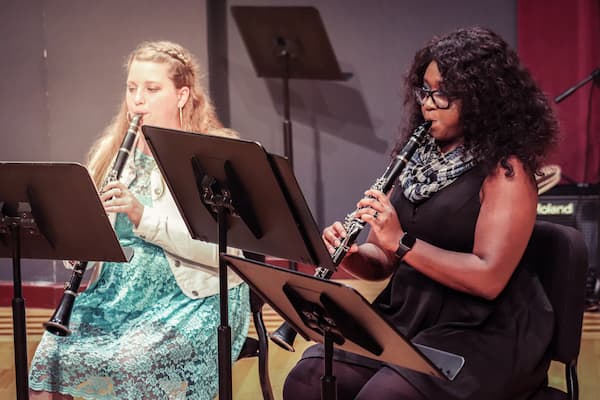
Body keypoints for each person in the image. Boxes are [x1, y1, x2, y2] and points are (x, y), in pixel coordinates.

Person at [283, 26, 558, 400]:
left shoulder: (506, 170)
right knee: (307, 379)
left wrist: (402, 241)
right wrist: (354, 256)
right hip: (409, 314)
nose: (428, 102)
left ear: (482, 97)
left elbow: (488, 277)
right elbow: (384, 262)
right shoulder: (418, 161)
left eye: (442, 92)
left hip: (482, 330)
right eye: (424, 89)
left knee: (383, 396)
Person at [28, 40, 250, 400]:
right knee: (50, 356)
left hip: (193, 298)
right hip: (120, 296)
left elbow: (222, 252)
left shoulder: (211, 156)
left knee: (132, 361)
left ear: (182, 95)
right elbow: (101, 236)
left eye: (152, 89)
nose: (138, 99)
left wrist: (141, 215)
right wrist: (82, 244)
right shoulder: (112, 153)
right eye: (132, 88)